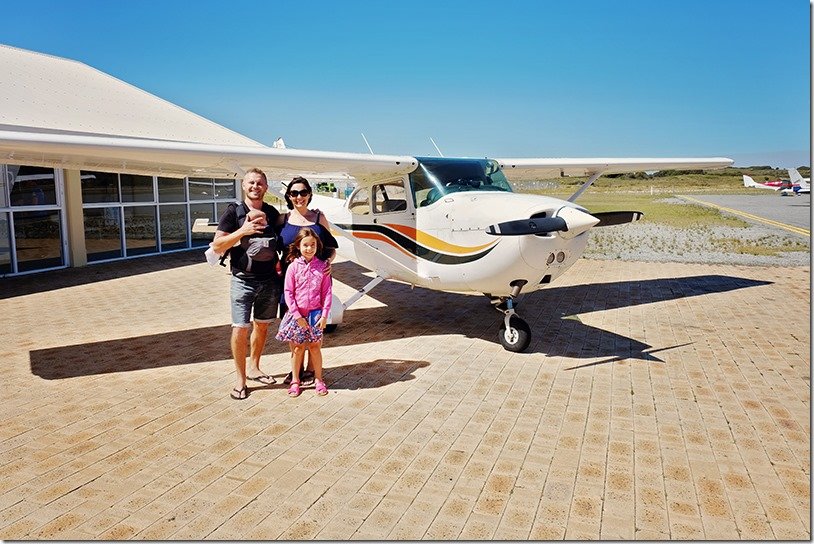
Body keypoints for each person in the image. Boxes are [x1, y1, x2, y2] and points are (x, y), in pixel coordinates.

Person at [211, 168, 282, 400]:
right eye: (251, 182)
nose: (255, 187)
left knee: (261, 326)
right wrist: (243, 230)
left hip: (269, 281)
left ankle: (255, 367)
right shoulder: (234, 212)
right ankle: (241, 379)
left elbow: (293, 230)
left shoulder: (271, 212)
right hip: (242, 281)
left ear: (266, 187)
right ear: (243, 185)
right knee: (240, 328)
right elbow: (217, 245)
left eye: (260, 183)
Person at [277, 176, 338, 385]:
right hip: (291, 283)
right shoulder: (283, 219)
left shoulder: (319, 218)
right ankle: (296, 371)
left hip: (317, 280)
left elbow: (331, 248)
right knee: (295, 326)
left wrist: (329, 261)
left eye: (303, 192)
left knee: (313, 330)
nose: (299, 197)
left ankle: (312, 369)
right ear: (289, 196)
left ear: (309, 194)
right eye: (294, 193)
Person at [276, 227, 332, 397]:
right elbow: (288, 292)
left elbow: (327, 292)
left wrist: (324, 316)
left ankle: (318, 379)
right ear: (298, 246)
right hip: (297, 315)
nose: (309, 248)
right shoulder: (293, 267)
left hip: (315, 315)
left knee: (315, 348)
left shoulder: (322, 267)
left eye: (313, 245)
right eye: (305, 245)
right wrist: (297, 315)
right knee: (297, 349)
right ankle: (295, 380)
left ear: (317, 246)